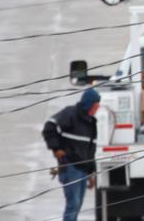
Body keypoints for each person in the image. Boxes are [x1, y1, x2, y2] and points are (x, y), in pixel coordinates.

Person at [42, 88, 100, 221]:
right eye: (95, 106)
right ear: (88, 103)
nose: (96, 109)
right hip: (70, 166)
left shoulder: (91, 123)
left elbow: (90, 150)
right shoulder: (70, 114)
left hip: (83, 170)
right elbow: (49, 127)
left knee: (77, 205)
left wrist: (91, 173)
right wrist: (56, 149)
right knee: (73, 204)